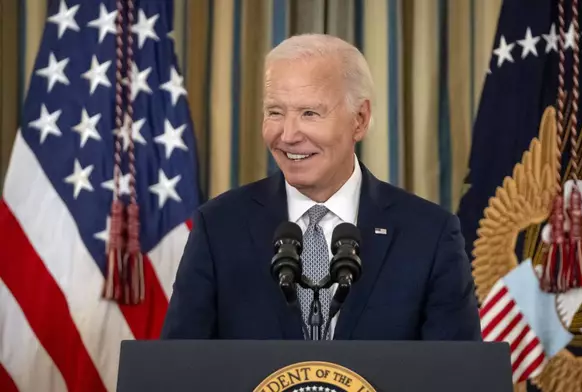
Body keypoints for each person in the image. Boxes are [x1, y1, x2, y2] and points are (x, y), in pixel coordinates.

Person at [161, 34, 482, 341]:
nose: (287, 135)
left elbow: (458, 374)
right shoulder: (219, 226)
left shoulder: (429, 234)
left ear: (359, 119)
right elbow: (180, 366)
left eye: (309, 113)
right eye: (275, 112)